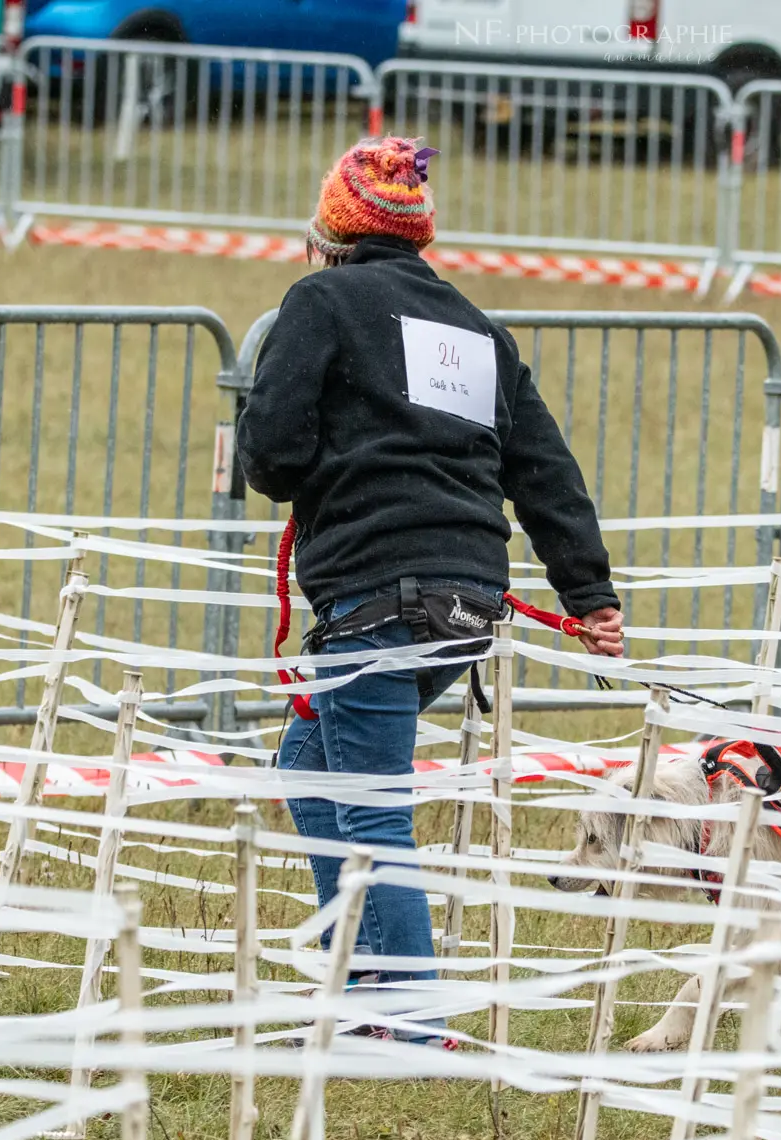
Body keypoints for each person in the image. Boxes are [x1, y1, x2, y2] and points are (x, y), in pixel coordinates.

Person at [237, 136, 624, 1045]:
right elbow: (545, 470)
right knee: (309, 766)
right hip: (465, 602)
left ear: (331, 230)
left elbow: (272, 455)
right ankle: (359, 993)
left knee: (370, 805)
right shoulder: (478, 330)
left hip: (376, 595)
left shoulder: (319, 300)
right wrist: (590, 593)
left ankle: (407, 1021)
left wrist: (297, 450)